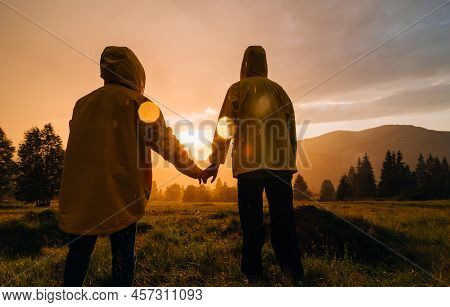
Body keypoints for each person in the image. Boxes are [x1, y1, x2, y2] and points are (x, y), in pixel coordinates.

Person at [59, 46, 203, 286]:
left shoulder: (82, 104)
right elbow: (165, 143)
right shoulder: (140, 103)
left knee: (78, 257)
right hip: (122, 196)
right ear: (137, 72)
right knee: (123, 256)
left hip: (82, 195)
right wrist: (194, 170)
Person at [203, 46, 304, 284]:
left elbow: (224, 127)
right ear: (265, 64)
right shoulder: (280, 91)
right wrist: (290, 161)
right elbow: (291, 130)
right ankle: (294, 275)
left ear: (244, 64)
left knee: (251, 225)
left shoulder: (237, 89)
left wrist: (215, 160)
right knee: (285, 223)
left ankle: (252, 275)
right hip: (280, 166)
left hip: (249, 168)